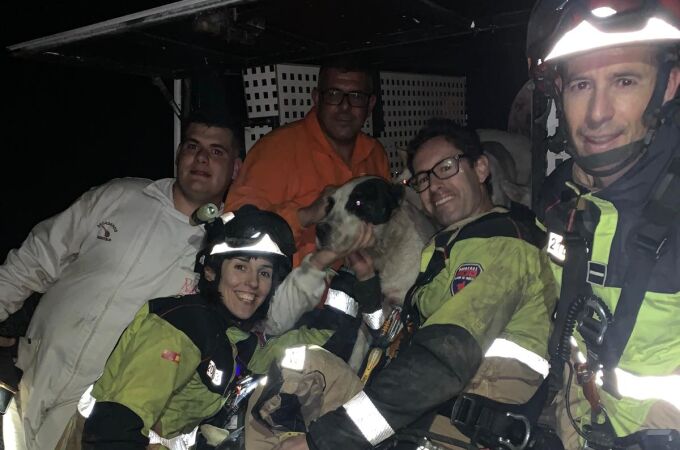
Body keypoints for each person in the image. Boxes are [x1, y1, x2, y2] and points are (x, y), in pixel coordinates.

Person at [259, 119, 557, 450]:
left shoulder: (503, 245)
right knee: (293, 370)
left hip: (457, 428)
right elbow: (398, 335)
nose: (435, 186)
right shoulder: (451, 243)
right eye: (423, 178)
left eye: (447, 167)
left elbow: (440, 362)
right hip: (417, 409)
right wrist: (368, 282)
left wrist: (324, 440)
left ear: (481, 168)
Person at [0, 113, 242, 450]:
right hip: (33, 373)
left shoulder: (225, 254)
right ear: (178, 154)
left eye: (217, 152)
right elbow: (34, 260)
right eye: (192, 146)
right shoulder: (120, 196)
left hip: (99, 409)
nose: (201, 158)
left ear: (236, 168)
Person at [51, 205, 354, 449]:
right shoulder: (182, 325)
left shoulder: (235, 337)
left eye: (264, 272)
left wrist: (348, 282)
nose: (252, 282)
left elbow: (302, 348)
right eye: (240, 267)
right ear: (210, 272)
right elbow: (114, 428)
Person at [528, 1, 680, 448]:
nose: (596, 114)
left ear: (669, 85)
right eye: (580, 84)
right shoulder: (560, 202)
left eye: (625, 80)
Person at [226, 58, 391, 267]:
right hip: (289, 295)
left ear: (371, 104)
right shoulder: (276, 149)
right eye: (333, 95)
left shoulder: (376, 155)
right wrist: (305, 215)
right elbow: (234, 230)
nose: (344, 107)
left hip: (359, 289)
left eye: (356, 97)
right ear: (316, 98)